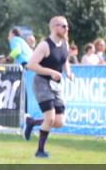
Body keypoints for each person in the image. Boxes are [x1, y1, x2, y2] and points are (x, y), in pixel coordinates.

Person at [24, 16, 73, 158]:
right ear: (54, 27)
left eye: (67, 26)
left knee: (59, 122)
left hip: (56, 85)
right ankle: (40, 151)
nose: (66, 29)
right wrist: (51, 72)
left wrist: (68, 73)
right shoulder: (45, 45)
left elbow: (65, 61)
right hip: (42, 83)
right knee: (50, 118)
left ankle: (32, 122)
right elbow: (31, 65)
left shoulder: (65, 43)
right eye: (63, 26)